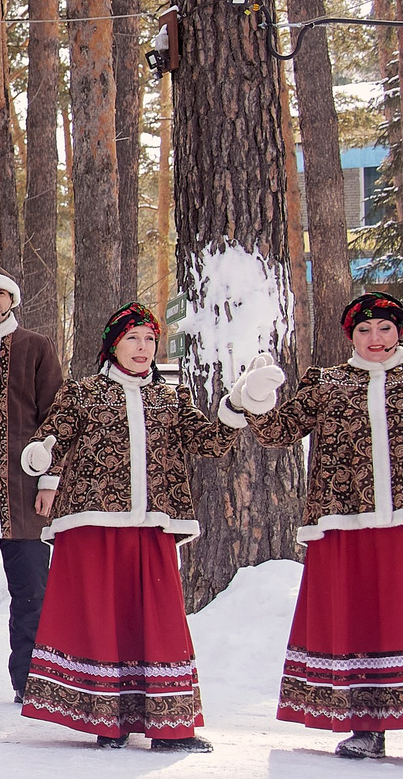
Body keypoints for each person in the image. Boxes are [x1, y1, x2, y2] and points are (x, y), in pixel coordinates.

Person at [237, 291, 403, 765]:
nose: (375, 339)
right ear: (350, 337)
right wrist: (255, 399)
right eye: (364, 330)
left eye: (384, 328)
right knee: (361, 618)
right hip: (346, 520)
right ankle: (366, 726)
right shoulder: (328, 384)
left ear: (400, 330)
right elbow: (278, 431)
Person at [18, 302, 241, 751]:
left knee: (157, 619)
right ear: (113, 346)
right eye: (132, 339)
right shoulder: (84, 394)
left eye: (150, 340)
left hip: (151, 523)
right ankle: (107, 719)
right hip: (94, 524)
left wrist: (239, 405)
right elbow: (54, 433)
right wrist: (43, 454)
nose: (142, 348)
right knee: (102, 616)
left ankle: (168, 725)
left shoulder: (170, 397)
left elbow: (210, 442)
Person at [0, 272, 65, 703]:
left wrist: (50, 480)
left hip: (25, 494)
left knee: (32, 593)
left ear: (12, 299)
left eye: (1, 293)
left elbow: (56, 418)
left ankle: (30, 682)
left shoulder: (36, 347)